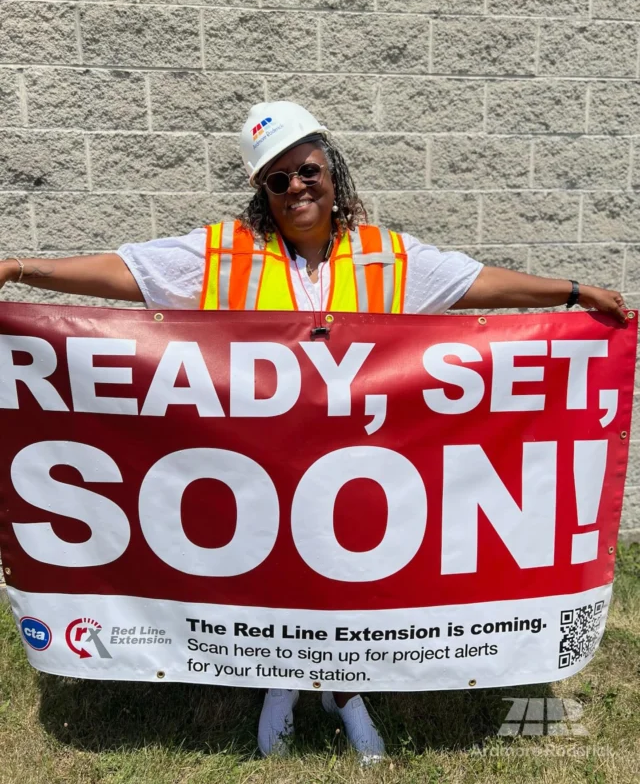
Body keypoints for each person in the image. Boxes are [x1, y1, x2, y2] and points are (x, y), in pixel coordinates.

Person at [0, 101, 627, 762]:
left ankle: (344, 691)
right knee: (274, 579)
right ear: (262, 192)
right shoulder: (222, 255)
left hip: (356, 466)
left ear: (333, 170)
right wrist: (19, 267)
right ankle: (282, 683)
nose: (296, 187)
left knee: (347, 581)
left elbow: (477, 284)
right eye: (278, 179)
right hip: (260, 469)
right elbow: (126, 272)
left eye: (308, 170)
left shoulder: (387, 257)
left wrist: (571, 292)